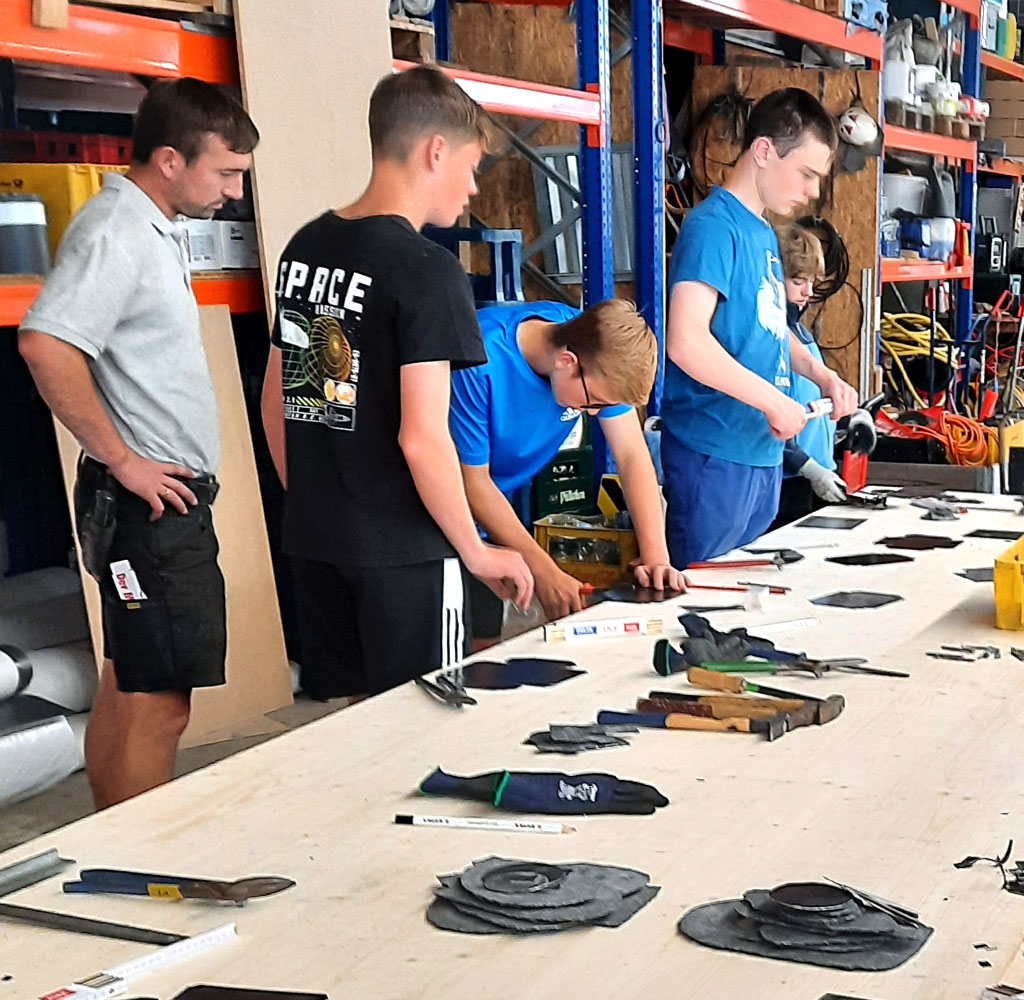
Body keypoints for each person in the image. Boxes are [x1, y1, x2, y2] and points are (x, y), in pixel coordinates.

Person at [18, 80, 258, 808]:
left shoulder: (149, 225)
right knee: (161, 699)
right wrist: (125, 461)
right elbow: (45, 344)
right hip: (152, 512)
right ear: (168, 160)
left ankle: (104, 843)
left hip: (149, 508)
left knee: (130, 681)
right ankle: (139, 863)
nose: (235, 192)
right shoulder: (119, 229)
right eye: (225, 173)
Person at [259, 66, 532, 701]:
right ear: (435, 151)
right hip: (404, 553)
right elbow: (423, 438)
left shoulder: (307, 247)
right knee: (421, 733)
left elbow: (283, 399)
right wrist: (476, 551)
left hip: (319, 539)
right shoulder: (427, 271)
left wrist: (318, 499)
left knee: (358, 732)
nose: (471, 188)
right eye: (470, 167)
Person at [660, 87, 858, 568]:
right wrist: (773, 401)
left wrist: (820, 373)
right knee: (704, 611)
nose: (813, 191)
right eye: (807, 174)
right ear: (764, 151)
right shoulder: (713, 228)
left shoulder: (763, 232)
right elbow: (685, 341)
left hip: (760, 455)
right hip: (714, 453)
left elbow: (769, 326)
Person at [449, 297, 686, 642]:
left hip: (486, 512)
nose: (594, 414)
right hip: (423, 509)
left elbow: (632, 455)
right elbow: (473, 484)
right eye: (593, 404)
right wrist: (544, 570)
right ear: (566, 362)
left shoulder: (590, 339)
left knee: (484, 651)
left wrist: (656, 557)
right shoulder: (477, 360)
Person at [772, 222, 850, 526]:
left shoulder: (801, 335)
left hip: (818, 476)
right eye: (797, 280)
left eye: (812, 281)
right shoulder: (768, 343)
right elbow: (767, 422)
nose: (808, 291)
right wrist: (808, 468)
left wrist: (850, 419)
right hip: (787, 482)